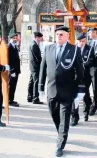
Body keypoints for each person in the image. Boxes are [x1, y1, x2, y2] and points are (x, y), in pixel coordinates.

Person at [39, 26, 85, 157]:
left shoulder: (74, 50)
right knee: (54, 115)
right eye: (57, 34)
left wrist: (79, 90)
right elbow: (43, 69)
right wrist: (40, 88)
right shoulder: (48, 48)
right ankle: (61, 133)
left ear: (67, 36)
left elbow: (80, 72)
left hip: (67, 91)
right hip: (51, 90)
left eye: (61, 34)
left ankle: (60, 145)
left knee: (65, 118)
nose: (59, 36)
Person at [70, 33, 92, 126]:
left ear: (85, 41)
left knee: (85, 95)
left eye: (83, 41)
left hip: (85, 77)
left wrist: (80, 65)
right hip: (75, 77)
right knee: (74, 97)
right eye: (79, 41)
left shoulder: (90, 49)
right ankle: (74, 117)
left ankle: (86, 112)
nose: (81, 43)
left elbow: (90, 61)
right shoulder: (73, 49)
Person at [87, 28, 97, 116]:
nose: (89, 34)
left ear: (95, 33)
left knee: (95, 89)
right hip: (87, 68)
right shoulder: (89, 43)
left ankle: (94, 106)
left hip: (96, 69)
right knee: (85, 87)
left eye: (91, 33)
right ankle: (89, 102)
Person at [27, 32, 44, 104]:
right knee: (36, 82)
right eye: (40, 37)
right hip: (35, 66)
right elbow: (38, 58)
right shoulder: (34, 45)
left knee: (32, 81)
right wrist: (42, 64)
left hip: (33, 66)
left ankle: (30, 96)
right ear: (37, 37)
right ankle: (35, 98)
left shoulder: (32, 43)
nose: (41, 39)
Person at [8, 32, 21, 107]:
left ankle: (11, 99)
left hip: (16, 70)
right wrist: (11, 71)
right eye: (14, 38)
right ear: (11, 38)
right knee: (11, 85)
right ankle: (9, 100)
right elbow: (9, 60)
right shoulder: (9, 47)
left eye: (16, 38)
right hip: (12, 71)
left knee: (13, 86)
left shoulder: (14, 46)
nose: (15, 39)